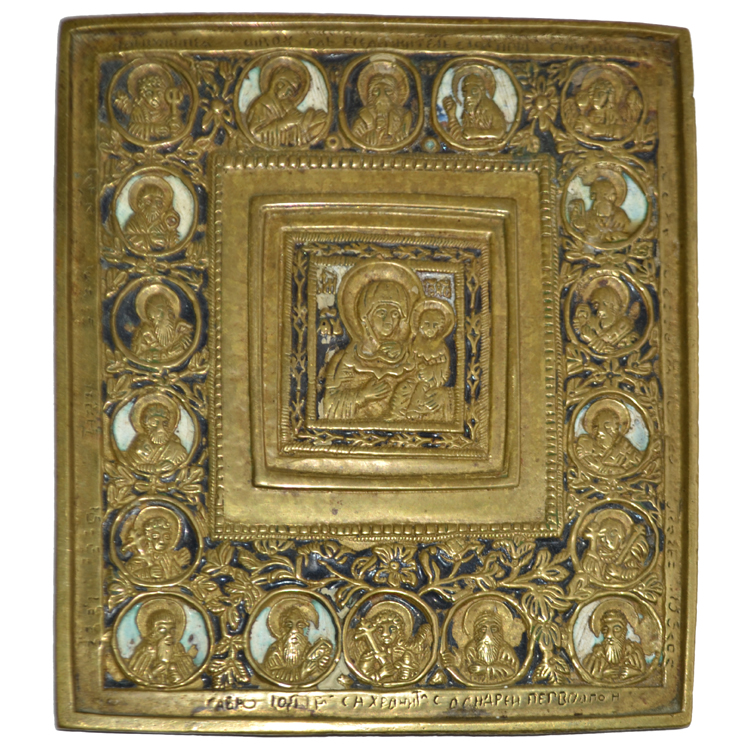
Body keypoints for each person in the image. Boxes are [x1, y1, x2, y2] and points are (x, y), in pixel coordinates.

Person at [321, 262, 421, 421]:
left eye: (395, 314)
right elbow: (328, 406)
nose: (388, 320)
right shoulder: (346, 359)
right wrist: (363, 396)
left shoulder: (410, 358)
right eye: (381, 312)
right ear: (365, 317)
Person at [245, 56, 327, 147]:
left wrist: (312, 118)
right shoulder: (262, 105)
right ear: (279, 85)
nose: (290, 95)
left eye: (292, 92)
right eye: (289, 90)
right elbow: (255, 134)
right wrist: (285, 122)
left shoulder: (285, 104)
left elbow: (298, 119)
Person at [399, 299, 454, 421]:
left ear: (440, 329)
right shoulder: (416, 344)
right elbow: (410, 361)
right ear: (420, 325)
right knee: (404, 389)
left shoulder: (441, 348)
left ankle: (414, 408)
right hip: (415, 377)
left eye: (434, 326)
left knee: (422, 388)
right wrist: (412, 365)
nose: (430, 329)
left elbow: (445, 367)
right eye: (427, 324)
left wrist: (431, 371)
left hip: (433, 380)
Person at [352, 601, 431, 685]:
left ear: (399, 632)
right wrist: (381, 674)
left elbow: (412, 673)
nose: (386, 634)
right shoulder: (370, 654)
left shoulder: (405, 652)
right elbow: (363, 675)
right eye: (380, 630)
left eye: (392, 629)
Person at [261, 597, 334, 685]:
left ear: (306, 629)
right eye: (289, 625)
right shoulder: (275, 650)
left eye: (300, 626)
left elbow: (319, 676)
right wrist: (301, 673)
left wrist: (321, 666)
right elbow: (271, 674)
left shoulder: (309, 649)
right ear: (282, 629)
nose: (294, 630)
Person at [127, 598, 199, 686]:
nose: (168, 634)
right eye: (162, 629)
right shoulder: (146, 650)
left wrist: (177, 673)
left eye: (172, 630)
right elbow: (136, 676)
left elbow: (189, 675)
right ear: (152, 631)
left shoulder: (178, 648)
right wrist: (154, 672)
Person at [447, 602, 520, 683]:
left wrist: (486, 669)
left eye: (494, 629)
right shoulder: (471, 649)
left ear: (500, 632)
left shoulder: (505, 649)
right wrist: (459, 665)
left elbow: (512, 672)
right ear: (476, 632)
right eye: (483, 630)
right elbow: (467, 671)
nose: (488, 635)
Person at [351, 58, 413, 147]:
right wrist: (371, 134)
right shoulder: (363, 119)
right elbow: (355, 140)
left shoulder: (404, 116)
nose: (382, 96)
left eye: (388, 90)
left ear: (396, 95)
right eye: (376, 90)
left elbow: (404, 136)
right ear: (370, 95)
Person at [565, 69, 642, 141]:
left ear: (609, 97)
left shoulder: (613, 115)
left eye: (600, 94)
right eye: (593, 94)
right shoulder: (590, 115)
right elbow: (578, 132)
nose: (596, 97)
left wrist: (592, 127)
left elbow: (620, 132)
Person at [574, 399, 644, 476]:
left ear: (617, 428)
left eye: (607, 426)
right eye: (596, 426)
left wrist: (601, 468)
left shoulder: (626, 448)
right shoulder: (586, 445)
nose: (600, 431)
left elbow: (636, 470)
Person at [115, 63, 184, 141]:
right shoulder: (138, 112)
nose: (155, 97)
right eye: (149, 93)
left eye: (158, 92)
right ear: (142, 96)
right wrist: (154, 129)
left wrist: (176, 126)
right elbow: (132, 128)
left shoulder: (168, 113)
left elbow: (180, 131)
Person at [122, 506, 191, 583]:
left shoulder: (170, 557)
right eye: (156, 536)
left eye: (166, 537)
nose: (161, 541)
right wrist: (148, 573)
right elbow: (128, 574)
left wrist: (177, 564)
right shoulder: (141, 557)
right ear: (148, 537)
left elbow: (179, 578)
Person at [442, 64, 508, 143]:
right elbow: (460, 137)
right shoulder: (467, 111)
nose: (468, 97)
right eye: (465, 92)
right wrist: (452, 116)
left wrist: (477, 134)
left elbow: (500, 132)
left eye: (474, 91)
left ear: (482, 91)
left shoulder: (491, 108)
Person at [580, 509, 649, 584]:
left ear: (621, 538)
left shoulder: (628, 556)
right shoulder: (598, 555)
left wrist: (620, 573)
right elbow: (588, 572)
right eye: (603, 536)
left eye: (612, 535)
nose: (606, 540)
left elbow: (636, 573)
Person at [573, 277, 640, 354]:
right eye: (595, 307)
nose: (598, 312)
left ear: (610, 304)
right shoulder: (594, 324)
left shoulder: (626, 327)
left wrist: (595, 341)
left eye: (598, 305)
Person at [125, 394, 188, 474]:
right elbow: (133, 466)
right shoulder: (137, 449)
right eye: (154, 423)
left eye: (165, 423)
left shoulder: (177, 450)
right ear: (144, 424)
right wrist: (155, 468)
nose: (160, 429)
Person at [583, 602, 646, 682]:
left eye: (616, 629)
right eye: (605, 630)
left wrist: (635, 673)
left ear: (624, 632)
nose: (609, 635)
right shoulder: (595, 657)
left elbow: (645, 674)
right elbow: (587, 676)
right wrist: (601, 674)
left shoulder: (634, 653)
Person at [131, 283, 194, 364]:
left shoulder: (182, 329)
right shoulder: (145, 333)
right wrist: (166, 354)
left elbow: (186, 348)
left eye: (160, 313)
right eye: (152, 318)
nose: (156, 321)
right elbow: (138, 356)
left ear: (169, 310)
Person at [123, 175, 181, 254]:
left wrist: (168, 239)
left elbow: (173, 241)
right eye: (149, 201)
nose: (153, 205)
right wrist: (150, 240)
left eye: (158, 202)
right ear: (140, 204)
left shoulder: (164, 222)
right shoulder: (134, 222)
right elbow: (127, 239)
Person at [567, 175, 632, 244]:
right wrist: (575, 220)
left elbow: (626, 237)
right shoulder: (588, 215)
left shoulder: (620, 216)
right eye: (592, 194)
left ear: (605, 195)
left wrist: (601, 235)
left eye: (594, 194)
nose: (592, 198)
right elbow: (581, 234)